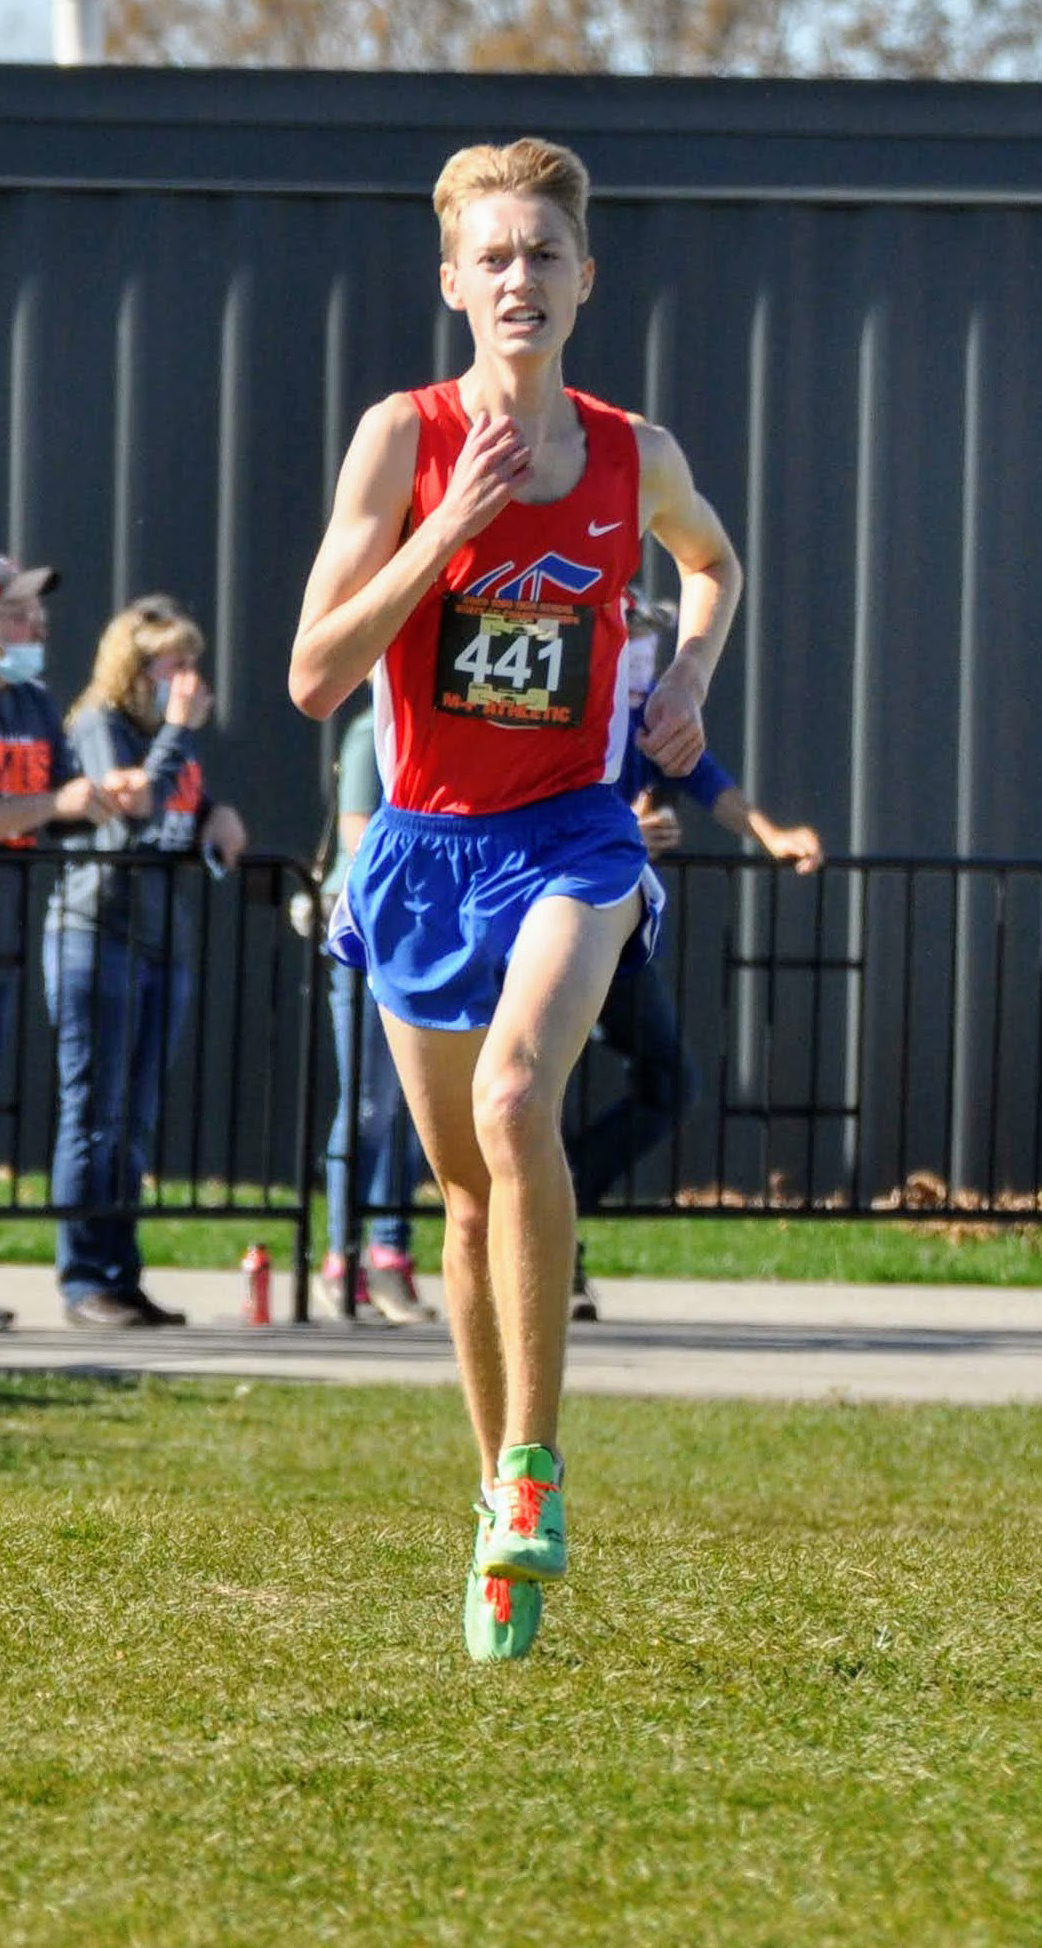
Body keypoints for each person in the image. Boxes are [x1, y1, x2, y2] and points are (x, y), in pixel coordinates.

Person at [288, 137, 742, 1661]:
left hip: (573, 835)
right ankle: (494, 1510)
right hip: (420, 845)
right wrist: (448, 525)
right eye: (491, 257)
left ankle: (537, 1465)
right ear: (450, 283)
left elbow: (713, 565)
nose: (518, 280)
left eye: (543, 255)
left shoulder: (633, 453)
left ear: (583, 278)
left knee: (513, 1098)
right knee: (467, 1203)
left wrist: (682, 676)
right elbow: (311, 678)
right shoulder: (396, 440)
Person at [568, 589, 824, 1321]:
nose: (643, 656)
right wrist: (621, 831)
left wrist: (771, 833)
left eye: (651, 642)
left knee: (670, 1080)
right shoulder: (563, 708)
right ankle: (542, 1257)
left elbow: (702, 775)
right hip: (542, 908)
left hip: (612, 923)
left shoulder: (648, 717)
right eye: (634, 639)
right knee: (532, 1091)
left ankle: (565, 1203)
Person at [44, 595, 248, 1329]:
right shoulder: (98, 724)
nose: (188, 676)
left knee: (135, 1115)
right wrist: (180, 737)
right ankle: (83, 1278)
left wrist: (216, 812)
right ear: (138, 666)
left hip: (162, 938)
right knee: (94, 1109)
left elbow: (178, 807)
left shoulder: (172, 734)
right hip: (97, 932)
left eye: (194, 662)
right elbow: (130, 803)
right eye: (175, 662)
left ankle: (120, 1273)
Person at [313, 700, 432, 1325]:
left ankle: (391, 1251)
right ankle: (344, 1252)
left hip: (422, 930)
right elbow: (362, 834)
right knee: (367, 1103)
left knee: (416, 1107)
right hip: (370, 929)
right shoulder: (370, 730)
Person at [1, 556, 120, 1071]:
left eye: (39, 614)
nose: (38, 627)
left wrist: (105, 796)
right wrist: (55, 803)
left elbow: (64, 802)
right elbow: (52, 802)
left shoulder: (35, 701)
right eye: (18, 613)